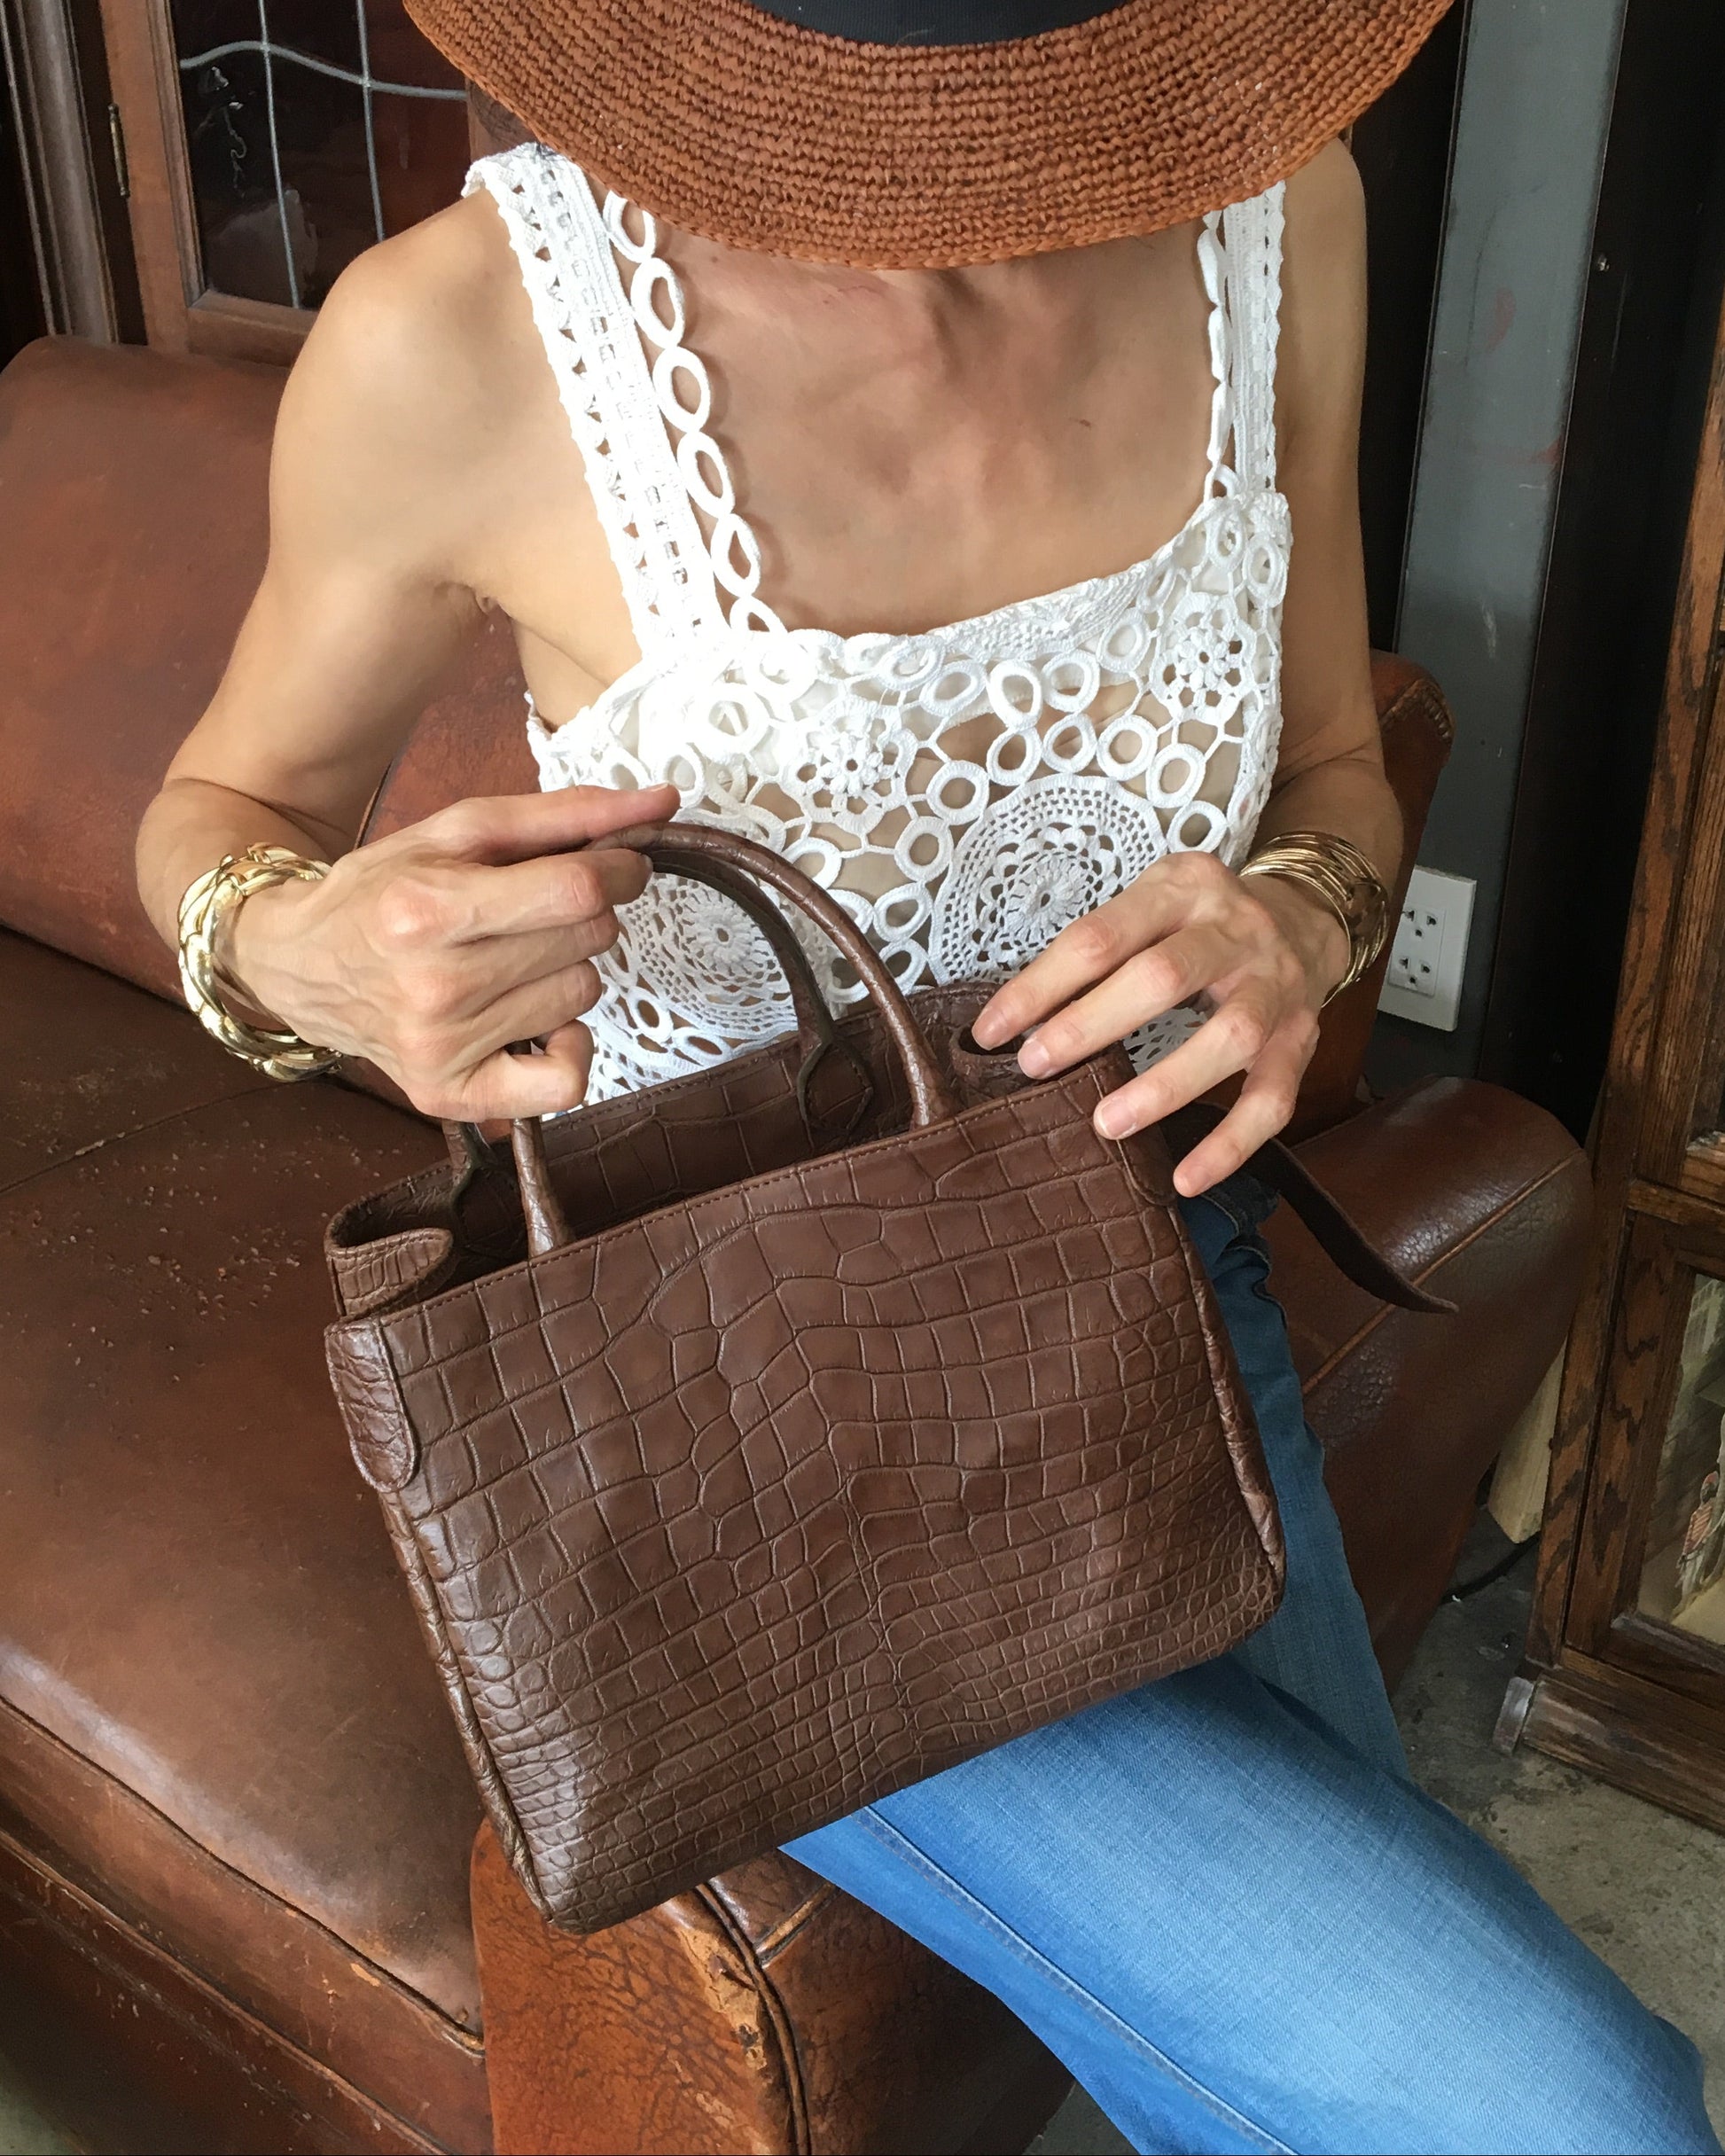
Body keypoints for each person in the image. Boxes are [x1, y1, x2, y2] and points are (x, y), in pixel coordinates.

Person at [136, 2, 1719, 2146]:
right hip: (719, 1420)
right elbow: (226, 802)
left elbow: (1336, 763)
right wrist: (290, 949)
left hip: (1161, 1286)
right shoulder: (472, 341)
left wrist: (1304, 923)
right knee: (1570, 2106)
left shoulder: (1280, 215)